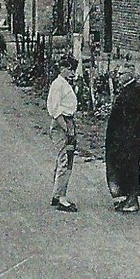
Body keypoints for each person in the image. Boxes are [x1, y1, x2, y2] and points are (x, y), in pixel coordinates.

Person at [104, 72, 140, 213]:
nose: (118, 77)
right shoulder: (131, 91)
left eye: (121, 74)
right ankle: (126, 197)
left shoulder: (135, 92)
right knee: (123, 166)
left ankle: (132, 199)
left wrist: (129, 132)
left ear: (128, 77)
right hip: (124, 138)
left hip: (129, 139)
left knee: (130, 167)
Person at [47, 57, 79, 212]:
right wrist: (67, 128)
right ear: (63, 68)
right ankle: (61, 197)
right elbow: (55, 109)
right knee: (64, 160)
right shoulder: (57, 84)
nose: (72, 73)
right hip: (62, 124)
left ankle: (57, 193)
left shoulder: (65, 84)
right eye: (70, 69)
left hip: (68, 121)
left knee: (67, 159)